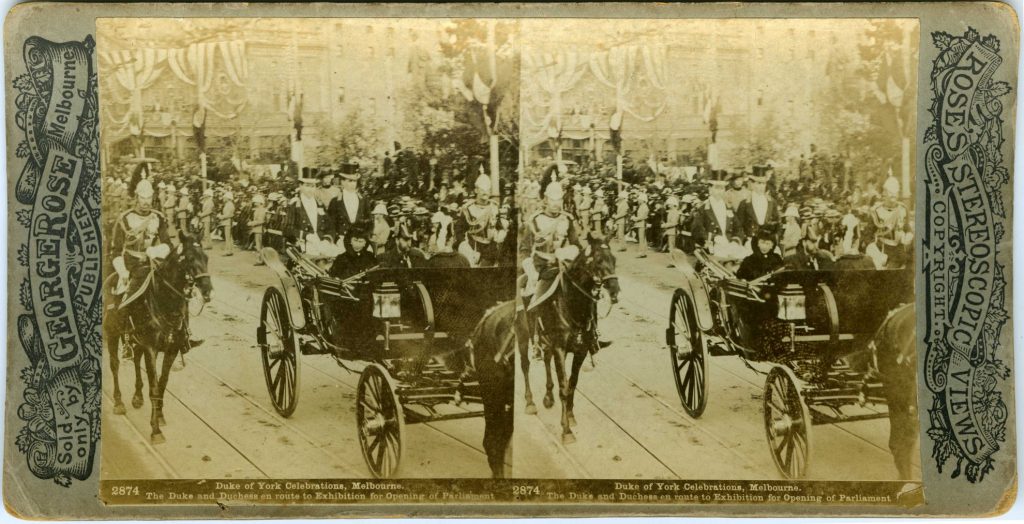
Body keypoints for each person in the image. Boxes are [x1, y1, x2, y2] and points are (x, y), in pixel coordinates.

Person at [110, 175, 172, 306]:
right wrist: (122, 271)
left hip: (152, 265)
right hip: (129, 267)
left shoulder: (158, 217)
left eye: (149, 197)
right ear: (137, 198)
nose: (146, 202)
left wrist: (156, 250)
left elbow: (168, 244)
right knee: (122, 303)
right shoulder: (125, 218)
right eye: (143, 198)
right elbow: (116, 251)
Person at [461, 171, 498, 267]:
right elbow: (459, 231)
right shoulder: (468, 209)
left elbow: (499, 227)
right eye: (482, 189)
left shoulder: (495, 208)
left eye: (488, 190)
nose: (485, 192)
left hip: (490, 249)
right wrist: (466, 248)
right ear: (476, 190)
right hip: (472, 246)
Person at [327, 162, 369, 245]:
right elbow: (330, 224)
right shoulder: (335, 202)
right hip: (341, 240)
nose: (353, 184)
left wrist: (365, 237)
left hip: (360, 241)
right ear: (342, 181)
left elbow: (370, 221)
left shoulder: (363, 200)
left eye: (354, 181)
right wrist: (336, 239)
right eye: (350, 181)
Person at [691, 179, 736, 249]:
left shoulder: (729, 208)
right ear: (710, 189)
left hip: (729, 244)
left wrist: (735, 241)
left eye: (722, 188)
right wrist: (710, 239)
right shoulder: (703, 208)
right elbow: (696, 229)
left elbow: (738, 227)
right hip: (711, 245)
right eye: (716, 188)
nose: (719, 192)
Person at [734, 174, 779, 242]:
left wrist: (773, 238)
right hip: (750, 240)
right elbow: (738, 225)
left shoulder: (772, 202)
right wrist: (744, 239)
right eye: (758, 183)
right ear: (752, 184)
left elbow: (777, 221)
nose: (761, 186)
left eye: (763, 184)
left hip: (767, 241)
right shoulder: (744, 203)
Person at [248, 194, 267, 265]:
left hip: (259, 229)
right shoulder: (259, 209)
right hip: (257, 229)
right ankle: (261, 259)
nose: (254, 203)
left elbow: (261, 221)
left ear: (260, 202)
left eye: (256, 202)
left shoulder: (261, 210)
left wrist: (252, 223)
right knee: (258, 245)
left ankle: (260, 260)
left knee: (259, 245)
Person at [220, 190, 236, 256]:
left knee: (228, 237)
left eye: (225, 197)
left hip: (228, 222)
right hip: (227, 222)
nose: (223, 199)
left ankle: (228, 251)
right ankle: (230, 250)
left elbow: (229, 214)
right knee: (229, 236)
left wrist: (221, 217)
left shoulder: (230, 205)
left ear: (228, 198)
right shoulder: (228, 204)